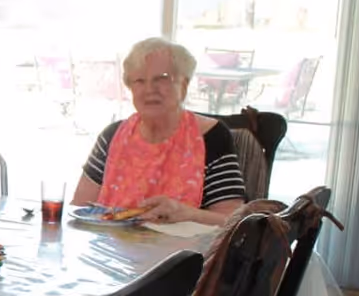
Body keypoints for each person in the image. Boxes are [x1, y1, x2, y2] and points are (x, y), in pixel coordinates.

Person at [72, 37, 246, 225]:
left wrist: (188, 213)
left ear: (184, 86)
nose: (149, 89)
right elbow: (79, 209)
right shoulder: (112, 136)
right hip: (107, 250)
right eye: (139, 81)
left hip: (182, 253)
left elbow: (233, 222)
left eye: (161, 79)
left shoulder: (211, 136)